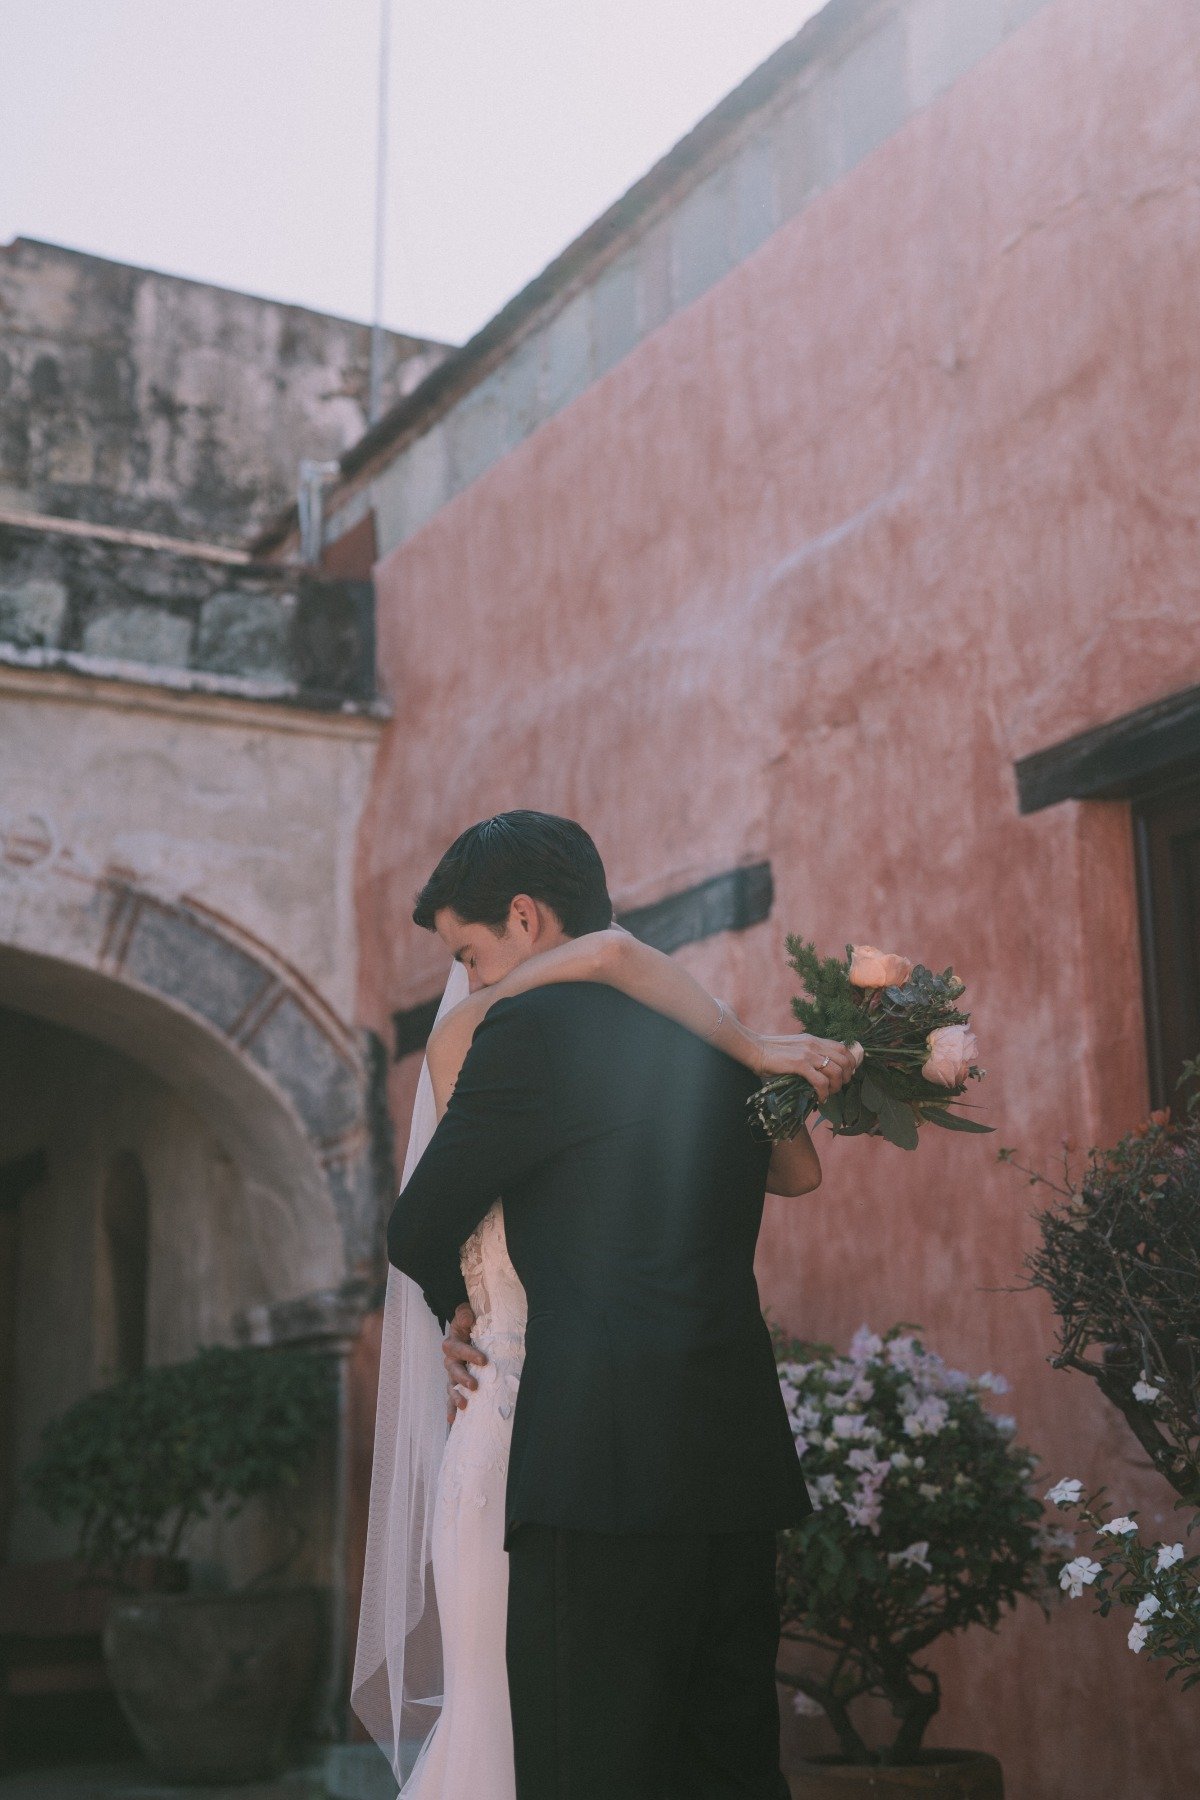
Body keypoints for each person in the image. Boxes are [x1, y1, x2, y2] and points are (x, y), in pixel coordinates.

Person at [356, 811, 857, 1800]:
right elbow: (793, 1175)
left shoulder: (524, 1031)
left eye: (471, 951)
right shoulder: (715, 1042)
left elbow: (418, 1227)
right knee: (728, 1763)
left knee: (594, 1762)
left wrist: (456, 1307)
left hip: (597, 1463)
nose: (474, 977)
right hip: (733, 1457)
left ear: (528, 918)